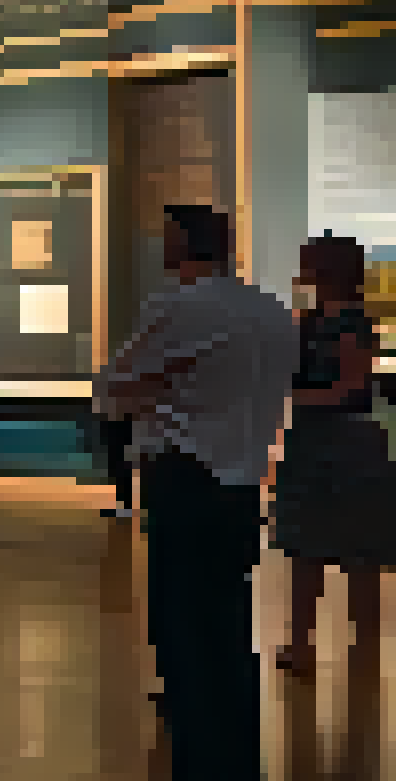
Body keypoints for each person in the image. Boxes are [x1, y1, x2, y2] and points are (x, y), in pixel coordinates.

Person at [101, 205, 296, 781]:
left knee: (181, 631)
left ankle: (198, 761)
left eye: (168, 237)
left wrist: (149, 392)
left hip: (185, 479)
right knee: (230, 630)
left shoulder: (182, 304)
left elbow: (114, 389)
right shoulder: (270, 309)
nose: (162, 246)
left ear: (185, 244)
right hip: (241, 489)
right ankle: (238, 759)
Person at [272, 234, 393, 677]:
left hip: (347, 442)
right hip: (313, 440)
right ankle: (301, 644)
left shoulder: (353, 324)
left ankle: (362, 651)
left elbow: (353, 386)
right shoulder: (311, 320)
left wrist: (296, 398)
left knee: (359, 553)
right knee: (306, 548)